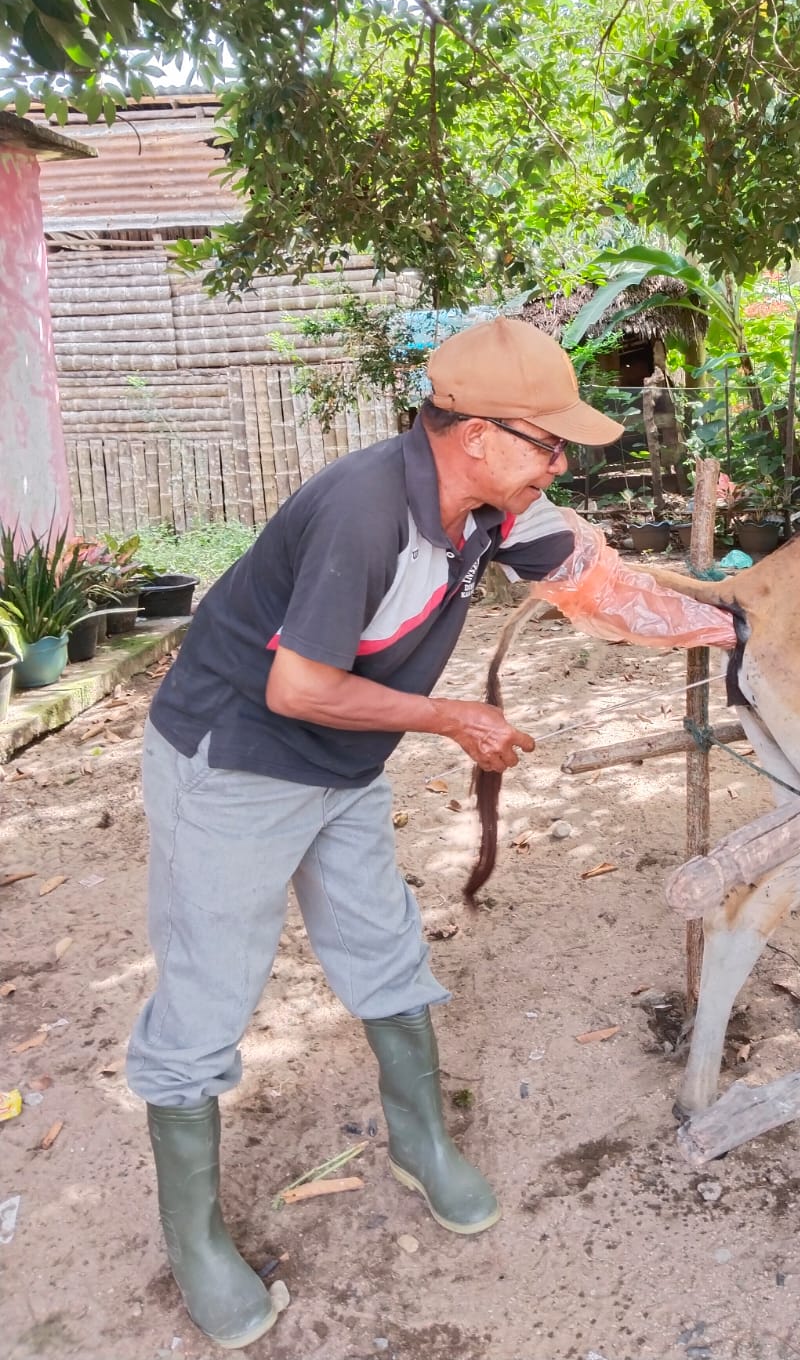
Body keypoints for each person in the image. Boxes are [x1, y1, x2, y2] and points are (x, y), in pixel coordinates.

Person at [126, 318, 623, 1348]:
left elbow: (594, 576)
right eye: (545, 441)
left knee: (383, 946)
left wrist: (732, 619)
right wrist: (456, 718)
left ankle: (421, 1140)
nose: (560, 462)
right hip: (233, 765)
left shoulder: (489, 505)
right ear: (477, 434)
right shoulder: (365, 509)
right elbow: (298, 685)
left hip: (340, 768)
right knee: (209, 995)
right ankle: (195, 1239)